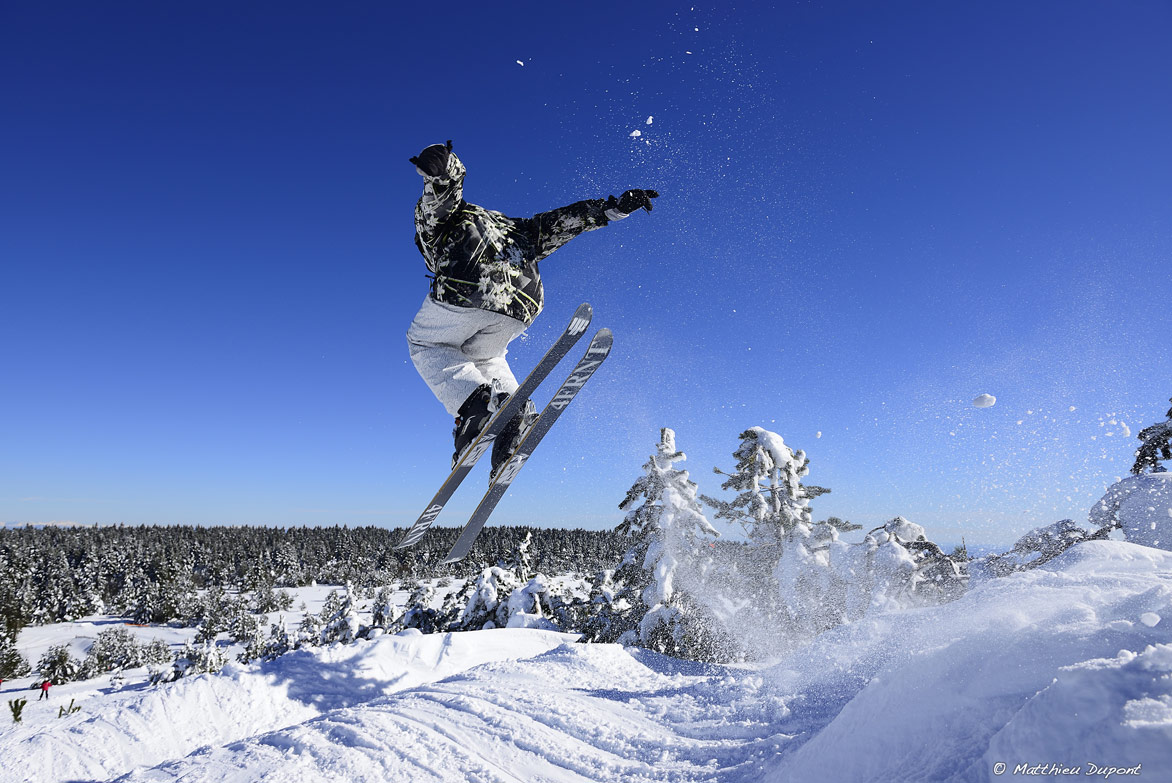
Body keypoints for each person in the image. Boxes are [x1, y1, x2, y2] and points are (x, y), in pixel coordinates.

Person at [406, 140, 657, 473]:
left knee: (425, 343)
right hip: (524, 302)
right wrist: (612, 209)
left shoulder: (447, 220)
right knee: (487, 357)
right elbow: (557, 223)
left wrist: (441, 165)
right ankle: (514, 418)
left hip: (469, 286)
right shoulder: (516, 228)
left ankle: (473, 409)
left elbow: (443, 192)